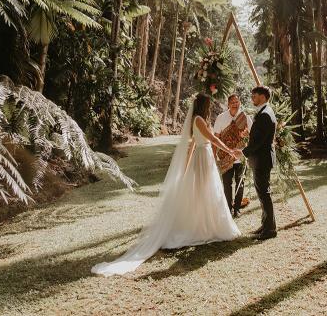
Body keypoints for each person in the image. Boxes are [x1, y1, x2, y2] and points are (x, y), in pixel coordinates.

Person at [91, 93, 241, 276]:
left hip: (203, 157)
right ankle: (205, 228)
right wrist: (230, 151)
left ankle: (206, 225)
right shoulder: (199, 119)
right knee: (206, 192)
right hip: (203, 157)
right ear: (204, 105)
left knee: (207, 192)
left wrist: (186, 167)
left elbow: (192, 144)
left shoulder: (198, 119)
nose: (210, 107)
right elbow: (211, 139)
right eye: (209, 104)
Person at [241, 85, 277, 240]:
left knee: (264, 194)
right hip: (262, 158)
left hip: (262, 158)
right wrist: (249, 134)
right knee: (262, 194)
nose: (252, 99)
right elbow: (260, 136)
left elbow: (261, 142)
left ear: (262, 96)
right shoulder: (265, 112)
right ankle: (266, 225)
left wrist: (243, 151)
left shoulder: (265, 114)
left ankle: (270, 230)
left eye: (254, 96)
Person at [213, 94, 253, 218]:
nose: (235, 104)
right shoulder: (221, 118)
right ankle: (228, 208)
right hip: (225, 157)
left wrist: (246, 137)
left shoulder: (245, 117)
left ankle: (237, 209)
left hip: (240, 156)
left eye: (237, 101)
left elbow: (252, 135)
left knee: (240, 183)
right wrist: (213, 154)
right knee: (227, 184)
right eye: (233, 102)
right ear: (228, 104)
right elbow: (216, 137)